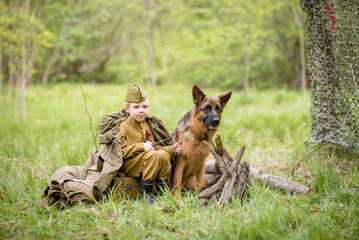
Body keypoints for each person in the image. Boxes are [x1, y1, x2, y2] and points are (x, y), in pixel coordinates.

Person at [119, 85, 181, 204]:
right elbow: (120, 152)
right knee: (153, 156)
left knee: (163, 154)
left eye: (144, 106)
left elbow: (154, 147)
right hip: (129, 164)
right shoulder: (123, 127)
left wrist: (171, 149)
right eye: (136, 107)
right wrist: (142, 146)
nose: (141, 110)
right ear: (127, 109)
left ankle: (161, 191)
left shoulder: (145, 124)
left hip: (146, 162)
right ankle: (146, 194)